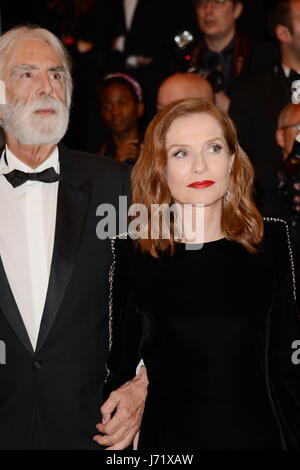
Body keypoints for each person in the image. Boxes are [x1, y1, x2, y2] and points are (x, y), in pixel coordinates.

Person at [114, 98, 300, 449]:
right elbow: (118, 365)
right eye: (181, 153)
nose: (200, 166)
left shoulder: (269, 244)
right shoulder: (136, 256)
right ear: (160, 167)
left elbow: (288, 366)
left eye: (213, 148)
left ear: (231, 160)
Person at [0, 25, 147, 450]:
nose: (47, 86)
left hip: (96, 429)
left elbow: (158, 300)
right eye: (27, 73)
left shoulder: (118, 185)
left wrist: (143, 383)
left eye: (58, 75)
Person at [229, 0, 300, 216]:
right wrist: (283, 176)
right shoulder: (249, 94)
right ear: (284, 34)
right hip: (273, 220)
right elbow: (239, 164)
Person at [98, 73, 144, 163]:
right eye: (107, 107)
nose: (115, 112)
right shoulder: (100, 156)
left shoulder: (155, 146)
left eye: (123, 103)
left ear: (139, 108)